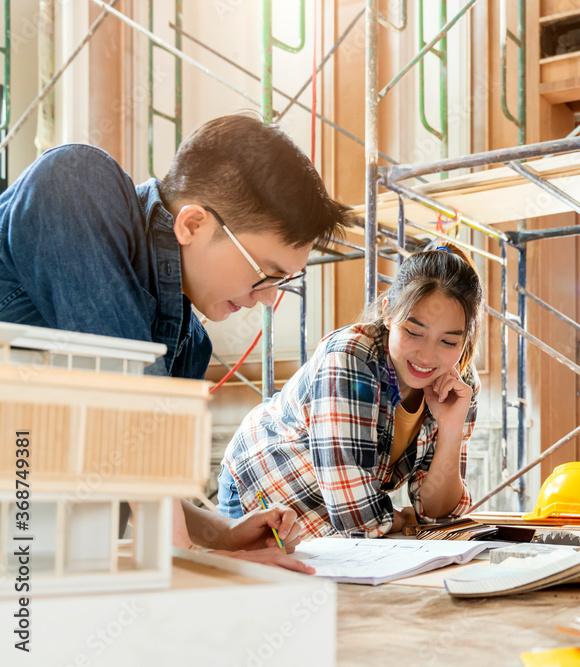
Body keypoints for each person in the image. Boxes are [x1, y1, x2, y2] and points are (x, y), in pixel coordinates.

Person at [0, 113, 351, 571]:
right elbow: (122, 386)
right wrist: (196, 560)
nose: (268, 299)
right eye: (268, 274)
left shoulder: (189, 342)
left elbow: (128, 473)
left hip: (36, 567)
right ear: (192, 225)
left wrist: (218, 532)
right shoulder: (77, 182)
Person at [219, 244, 484, 538]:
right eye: (413, 332)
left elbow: (437, 512)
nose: (427, 356)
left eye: (448, 342)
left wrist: (451, 427)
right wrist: (402, 519)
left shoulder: (459, 385)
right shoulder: (349, 358)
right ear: (387, 314)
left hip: (331, 520)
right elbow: (359, 522)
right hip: (259, 491)